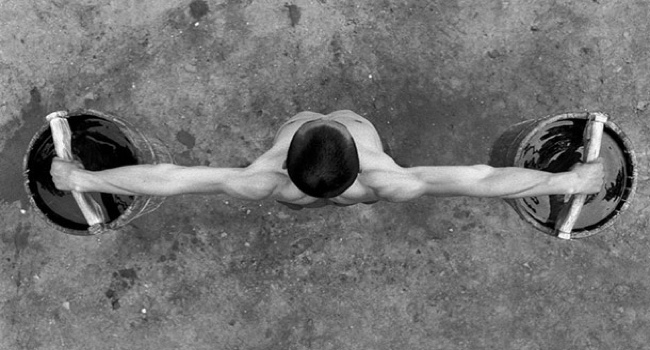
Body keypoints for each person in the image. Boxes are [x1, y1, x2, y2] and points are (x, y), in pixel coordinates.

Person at [50, 110, 605, 210]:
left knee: (287, 203)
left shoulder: (259, 181)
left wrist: (85, 176)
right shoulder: (390, 180)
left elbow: (169, 178)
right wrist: (563, 182)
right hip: (358, 193)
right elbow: (484, 180)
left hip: (291, 198)